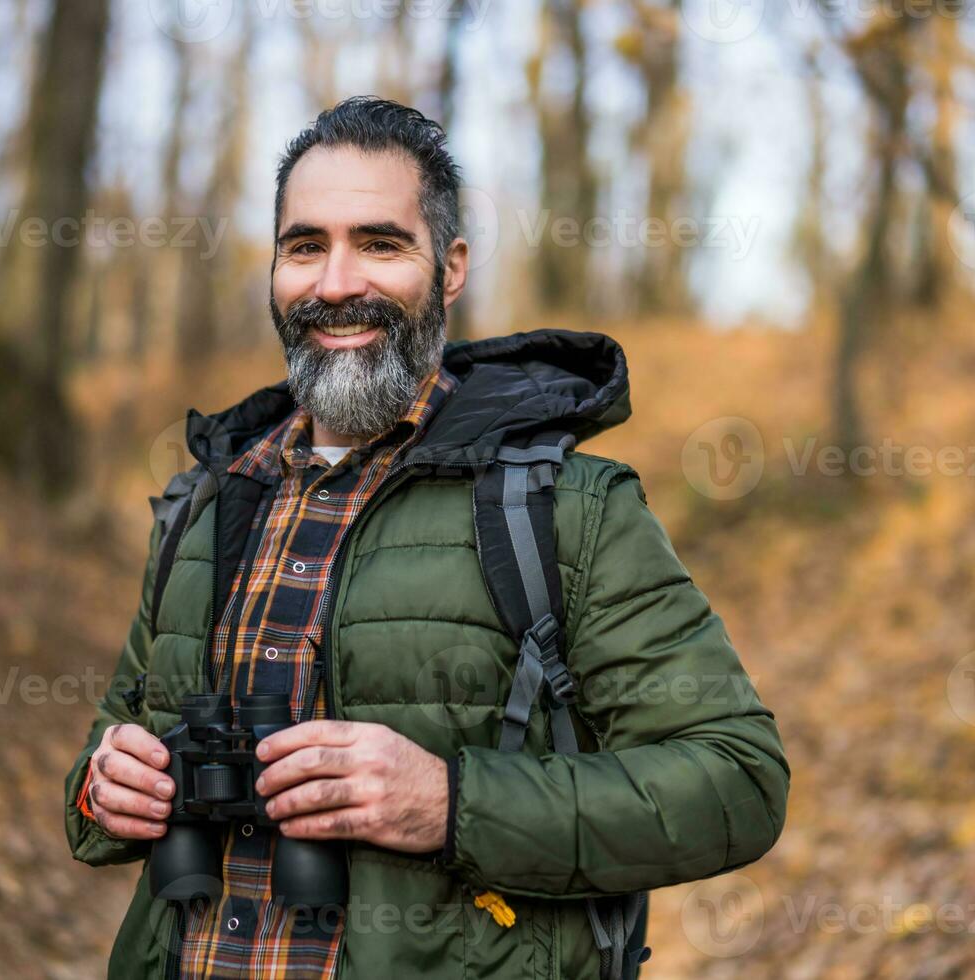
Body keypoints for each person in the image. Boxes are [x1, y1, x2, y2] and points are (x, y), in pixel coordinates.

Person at [63, 95, 790, 980]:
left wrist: (451, 803)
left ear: (449, 270)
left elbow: (739, 781)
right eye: (305, 246)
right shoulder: (203, 505)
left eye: (379, 243)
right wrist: (105, 791)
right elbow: (104, 763)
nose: (334, 284)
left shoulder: (564, 507)